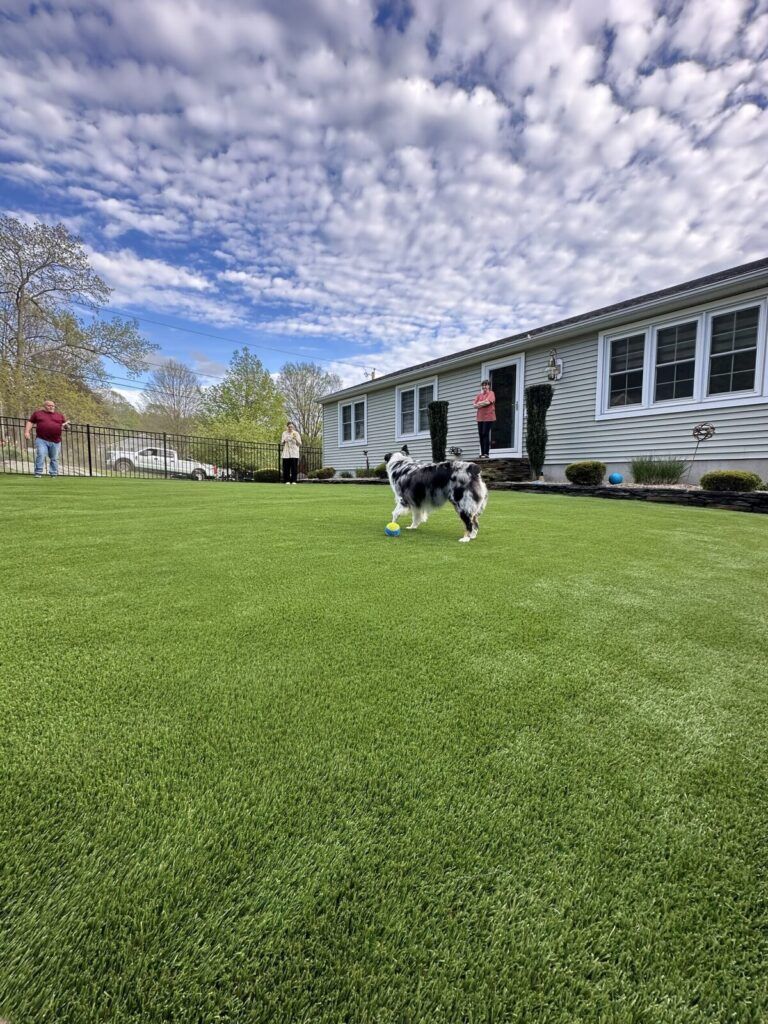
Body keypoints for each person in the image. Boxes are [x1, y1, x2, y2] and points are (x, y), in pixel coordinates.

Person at [25, 399, 70, 478]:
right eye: (49, 405)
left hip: (56, 441)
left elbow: (66, 427)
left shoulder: (59, 415)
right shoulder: (38, 414)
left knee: (54, 458)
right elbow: (30, 422)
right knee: (41, 454)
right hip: (41, 439)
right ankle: (38, 473)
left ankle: (53, 474)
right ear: (45, 406)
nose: (51, 407)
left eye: (53, 406)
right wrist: (27, 432)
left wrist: (66, 425)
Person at [472, 379, 495, 459]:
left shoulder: (491, 393)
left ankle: (486, 453)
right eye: (483, 385)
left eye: (486, 385)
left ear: (489, 386)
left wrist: (479, 403)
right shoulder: (479, 395)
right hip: (480, 418)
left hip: (488, 417)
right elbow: (474, 405)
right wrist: (482, 403)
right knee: (481, 435)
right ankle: (482, 453)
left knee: (485, 433)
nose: (484, 386)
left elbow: (488, 402)